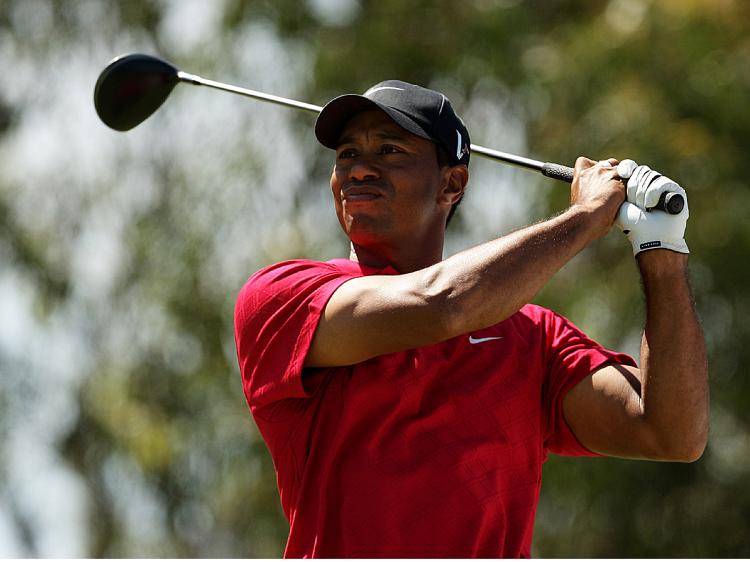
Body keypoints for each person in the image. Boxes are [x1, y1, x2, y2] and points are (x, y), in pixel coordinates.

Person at [233, 80, 709, 558]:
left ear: (451, 184)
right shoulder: (284, 297)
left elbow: (672, 432)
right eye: (347, 154)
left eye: (390, 150)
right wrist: (587, 215)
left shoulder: (534, 338)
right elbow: (445, 303)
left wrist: (662, 250)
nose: (359, 170)